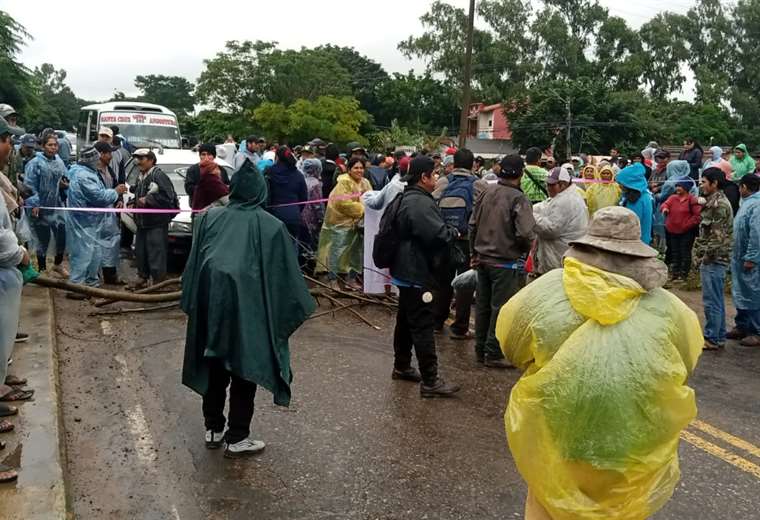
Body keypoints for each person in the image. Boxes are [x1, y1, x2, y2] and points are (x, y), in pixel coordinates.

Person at [495, 206, 702, 520]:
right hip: (631, 446)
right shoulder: (668, 307)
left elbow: (512, 343)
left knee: (549, 508)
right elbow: (685, 363)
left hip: (557, 433)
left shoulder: (547, 292)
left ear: (586, 245)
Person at [181, 160, 315, 458]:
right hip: (249, 314)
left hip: (212, 309)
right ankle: (237, 435)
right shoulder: (271, 226)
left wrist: (196, 302)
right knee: (245, 369)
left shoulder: (208, 219)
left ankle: (213, 428)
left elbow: (192, 269)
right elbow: (286, 279)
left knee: (215, 365)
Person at [388, 156, 460, 397]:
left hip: (405, 269)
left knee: (406, 319)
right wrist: (453, 231)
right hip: (416, 271)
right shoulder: (419, 203)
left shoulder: (406, 198)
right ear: (424, 177)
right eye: (434, 174)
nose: (437, 178)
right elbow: (437, 235)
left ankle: (402, 366)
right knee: (422, 324)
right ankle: (430, 380)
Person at [470, 155, 536, 368]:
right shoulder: (519, 199)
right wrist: (523, 249)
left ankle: (480, 350)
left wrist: (473, 252)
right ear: (520, 174)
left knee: (482, 306)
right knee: (500, 308)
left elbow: (472, 224)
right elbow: (526, 232)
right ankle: (493, 352)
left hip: (482, 259)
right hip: (504, 262)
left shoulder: (486, 192)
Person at [64, 145, 127, 294]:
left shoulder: (82, 172)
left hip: (91, 222)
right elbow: (98, 197)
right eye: (96, 158)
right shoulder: (84, 176)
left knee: (94, 254)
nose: (98, 161)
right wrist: (115, 192)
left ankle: (91, 283)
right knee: (83, 255)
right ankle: (76, 287)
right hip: (84, 222)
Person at [431, 148, 478, 339]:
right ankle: (460, 327)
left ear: (454, 163)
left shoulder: (443, 182)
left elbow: (432, 207)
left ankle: (436, 321)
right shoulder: (479, 185)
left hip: (446, 239)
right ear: (473, 164)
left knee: (443, 281)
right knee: (465, 284)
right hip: (467, 241)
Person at [316, 156, 371, 290]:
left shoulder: (365, 182)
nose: (359, 170)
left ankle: (350, 280)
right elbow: (343, 203)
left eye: (361, 168)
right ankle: (333, 280)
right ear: (349, 169)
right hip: (340, 224)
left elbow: (370, 197)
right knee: (337, 252)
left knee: (355, 253)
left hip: (357, 224)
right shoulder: (344, 182)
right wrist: (363, 208)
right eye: (356, 168)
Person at [695, 168, 734, 350]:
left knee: (712, 301)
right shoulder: (712, 202)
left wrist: (705, 258)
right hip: (714, 259)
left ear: (714, 183)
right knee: (716, 300)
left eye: (704, 181)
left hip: (714, 260)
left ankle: (713, 337)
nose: (701, 185)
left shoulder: (719, 205)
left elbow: (717, 239)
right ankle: (717, 336)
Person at [130, 149, 177, 289]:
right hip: (142, 222)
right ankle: (142, 277)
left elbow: (169, 197)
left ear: (151, 160)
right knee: (141, 251)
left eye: (141, 158)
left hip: (156, 222)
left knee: (156, 252)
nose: (138, 161)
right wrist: (134, 201)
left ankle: (158, 283)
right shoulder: (141, 175)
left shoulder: (159, 175)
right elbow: (140, 193)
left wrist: (149, 199)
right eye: (136, 158)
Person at [24, 133, 69, 277]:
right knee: (42, 238)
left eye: (55, 145)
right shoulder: (35, 163)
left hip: (55, 204)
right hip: (40, 205)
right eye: (50, 145)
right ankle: (42, 269)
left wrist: (64, 185)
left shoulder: (59, 161)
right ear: (43, 146)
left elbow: (65, 177)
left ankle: (58, 264)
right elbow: (29, 185)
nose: (53, 148)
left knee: (62, 233)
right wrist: (35, 203)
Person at [532, 167, 589, 277]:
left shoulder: (566, 200)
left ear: (563, 184)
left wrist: (530, 216)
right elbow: (545, 206)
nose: (548, 188)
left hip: (559, 256)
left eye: (551, 185)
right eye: (547, 184)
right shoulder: (563, 196)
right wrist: (529, 208)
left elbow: (551, 230)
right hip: (562, 253)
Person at [727, 174, 760, 347]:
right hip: (739, 257)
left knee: (753, 293)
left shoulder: (756, 205)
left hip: (750, 259)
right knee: (741, 293)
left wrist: (752, 257)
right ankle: (742, 326)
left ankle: (756, 331)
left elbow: (757, 234)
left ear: (744, 187)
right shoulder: (747, 203)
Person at [362, 165, 405, 294]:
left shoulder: (392, 185)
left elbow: (376, 203)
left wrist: (366, 197)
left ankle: (388, 292)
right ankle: (401, 293)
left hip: (390, 227)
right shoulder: (419, 187)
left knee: (388, 259)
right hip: (406, 230)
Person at [93, 141, 126, 285]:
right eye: (109, 153)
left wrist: (118, 198)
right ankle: (92, 277)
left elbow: (115, 186)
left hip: (109, 214)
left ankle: (110, 275)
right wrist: (114, 192)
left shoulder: (109, 170)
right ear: (101, 154)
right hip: (95, 216)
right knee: (94, 246)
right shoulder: (92, 172)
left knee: (112, 244)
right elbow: (97, 194)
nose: (111, 156)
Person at [266, 146, 308, 254]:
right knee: (291, 247)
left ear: (277, 158)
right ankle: (293, 270)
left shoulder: (269, 173)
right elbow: (304, 197)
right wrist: (296, 209)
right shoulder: (298, 175)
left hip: (273, 215)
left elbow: (265, 194)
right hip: (293, 215)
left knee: (274, 249)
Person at [661, 180, 701, 281]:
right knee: (675, 252)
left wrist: (686, 225)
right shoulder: (673, 198)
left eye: (680, 187)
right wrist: (665, 209)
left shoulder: (692, 200)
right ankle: (675, 273)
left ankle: (684, 275)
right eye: (677, 186)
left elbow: (697, 216)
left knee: (685, 252)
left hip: (687, 232)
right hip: (672, 230)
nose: (677, 188)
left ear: (686, 188)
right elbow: (665, 204)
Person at [616, 162, 653, 244]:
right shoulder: (637, 195)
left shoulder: (638, 200)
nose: (619, 185)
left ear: (629, 183)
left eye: (621, 183)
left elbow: (632, 223)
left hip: (635, 242)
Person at [300, 158, 324, 268]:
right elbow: (317, 204)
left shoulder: (302, 180)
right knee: (312, 242)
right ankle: (310, 265)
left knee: (303, 241)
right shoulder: (315, 183)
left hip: (301, 215)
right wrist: (321, 218)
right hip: (311, 217)